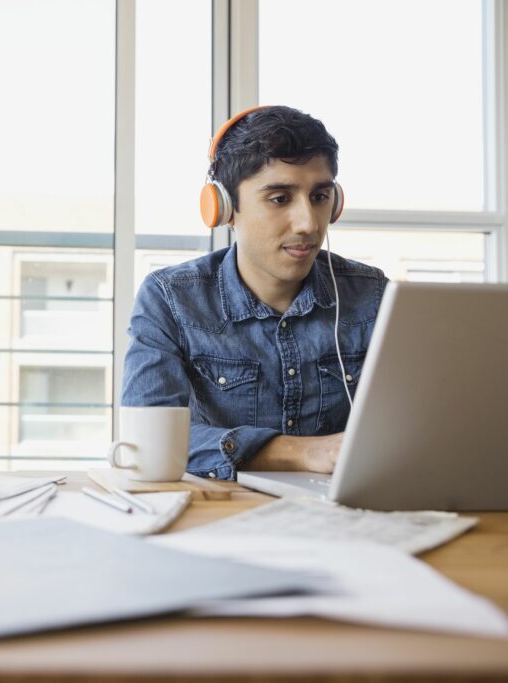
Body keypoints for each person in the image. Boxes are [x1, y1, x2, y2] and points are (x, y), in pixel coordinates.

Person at [121, 105, 388, 480]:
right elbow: (148, 441)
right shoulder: (171, 298)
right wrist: (303, 453)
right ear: (224, 207)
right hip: (220, 515)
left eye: (320, 197)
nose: (308, 223)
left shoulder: (373, 295)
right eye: (280, 198)